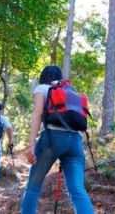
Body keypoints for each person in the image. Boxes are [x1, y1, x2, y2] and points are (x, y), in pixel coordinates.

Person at [21, 65, 94, 214]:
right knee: (77, 190)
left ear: (44, 77)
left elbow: (38, 113)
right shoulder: (70, 91)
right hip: (75, 141)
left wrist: (31, 144)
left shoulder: (42, 88)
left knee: (34, 186)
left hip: (52, 139)